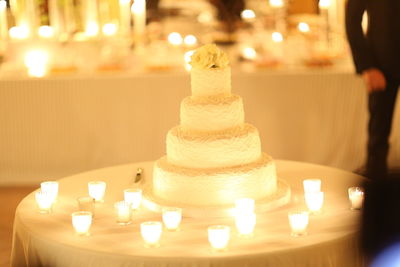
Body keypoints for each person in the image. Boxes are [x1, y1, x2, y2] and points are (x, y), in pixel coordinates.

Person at [345, 0, 400, 179]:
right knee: (378, 135)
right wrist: (367, 66)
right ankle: (376, 189)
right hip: (381, 64)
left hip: (382, 61)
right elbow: (352, 20)